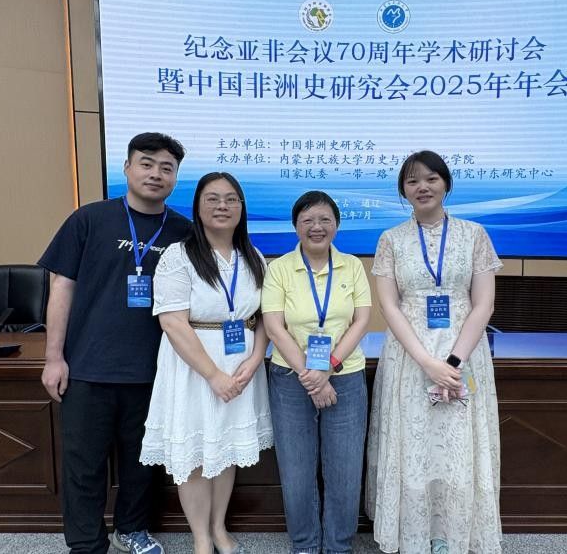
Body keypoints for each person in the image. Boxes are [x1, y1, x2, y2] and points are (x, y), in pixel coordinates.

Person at [39, 132, 191, 554]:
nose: (156, 174)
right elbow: (61, 287)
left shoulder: (184, 231)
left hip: (155, 370)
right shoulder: (89, 219)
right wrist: (53, 357)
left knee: (143, 462)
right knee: (83, 464)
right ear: (126, 168)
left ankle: (132, 528)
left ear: (175, 177)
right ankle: (86, 544)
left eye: (166, 167)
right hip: (88, 366)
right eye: (146, 163)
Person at [365, 151, 503, 554]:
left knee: (456, 440)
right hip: (409, 355)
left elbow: (483, 305)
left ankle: (451, 533)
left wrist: (452, 363)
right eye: (412, 181)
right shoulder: (391, 239)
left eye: (431, 179)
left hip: (465, 351)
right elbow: (389, 306)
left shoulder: (474, 234)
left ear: (446, 183)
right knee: (416, 440)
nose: (422, 187)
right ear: (402, 191)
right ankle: (414, 532)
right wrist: (428, 362)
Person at [139, 172, 273, 554]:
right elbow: (172, 322)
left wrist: (255, 359)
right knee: (196, 454)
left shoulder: (253, 256)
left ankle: (218, 528)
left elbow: (266, 315)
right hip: (194, 368)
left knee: (226, 449)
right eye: (212, 198)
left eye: (231, 199)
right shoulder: (178, 256)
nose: (222, 206)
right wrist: (213, 375)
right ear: (197, 207)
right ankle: (200, 537)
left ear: (241, 207)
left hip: (242, 368)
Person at [261, 190, 372, 554]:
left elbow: (361, 321)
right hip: (291, 379)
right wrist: (312, 376)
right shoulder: (279, 268)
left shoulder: (352, 266)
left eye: (325, 219)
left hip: (346, 376)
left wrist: (329, 368)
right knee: (296, 469)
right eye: (307, 220)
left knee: (345, 468)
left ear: (336, 225)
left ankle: (338, 545)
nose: (316, 227)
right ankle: (306, 544)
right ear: (296, 226)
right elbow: (274, 327)